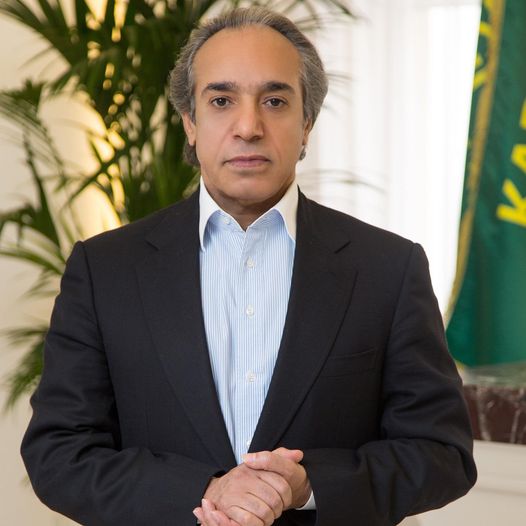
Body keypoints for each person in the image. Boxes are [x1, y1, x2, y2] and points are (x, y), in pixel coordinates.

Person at [21, 7, 477, 526]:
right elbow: (59, 454)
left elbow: (442, 454)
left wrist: (308, 486)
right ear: (190, 123)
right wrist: (207, 491)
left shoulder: (387, 269)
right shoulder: (105, 270)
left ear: (306, 125)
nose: (248, 127)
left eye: (275, 101)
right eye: (221, 101)